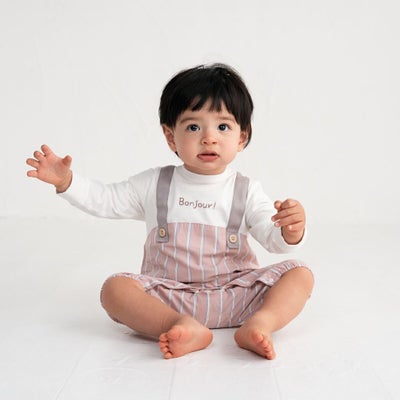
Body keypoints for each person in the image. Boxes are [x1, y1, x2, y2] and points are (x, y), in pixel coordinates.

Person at [26, 63, 314, 360]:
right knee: (114, 289)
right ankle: (178, 326)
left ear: (242, 137)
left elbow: (273, 240)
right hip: (168, 297)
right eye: (193, 127)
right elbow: (105, 200)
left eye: (223, 127)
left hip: (235, 296)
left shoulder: (247, 190)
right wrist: (67, 181)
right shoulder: (155, 183)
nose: (209, 138)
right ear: (170, 136)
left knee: (300, 274)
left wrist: (290, 230)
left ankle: (261, 323)